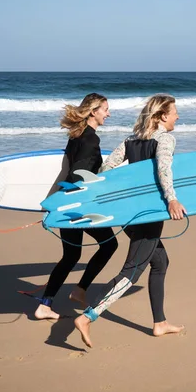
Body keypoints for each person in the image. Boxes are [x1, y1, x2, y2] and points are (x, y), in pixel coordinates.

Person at [74, 93, 186, 347]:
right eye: (174, 112)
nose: (177, 117)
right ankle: (89, 316)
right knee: (132, 271)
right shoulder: (165, 139)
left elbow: (105, 170)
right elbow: (163, 170)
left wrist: (104, 197)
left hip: (128, 215)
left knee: (160, 261)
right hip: (148, 214)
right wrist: (171, 199)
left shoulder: (130, 141)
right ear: (162, 116)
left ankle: (159, 323)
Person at [35, 93, 118, 320]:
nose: (108, 114)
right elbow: (76, 174)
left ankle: (46, 304)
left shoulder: (75, 136)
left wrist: (54, 201)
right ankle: (79, 290)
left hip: (67, 202)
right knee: (109, 245)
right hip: (78, 205)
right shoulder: (91, 140)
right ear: (94, 112)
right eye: (105, 109)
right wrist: (69, 203)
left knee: (71, 256)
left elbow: (66, 171)